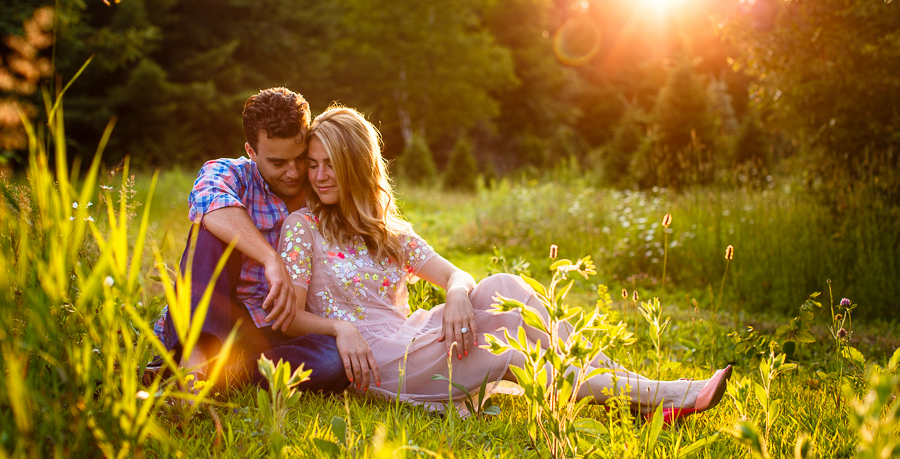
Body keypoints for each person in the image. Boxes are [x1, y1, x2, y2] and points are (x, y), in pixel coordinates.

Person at [276, 105, 731, 418]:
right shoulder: (302, 228)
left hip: (412, 334)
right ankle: (668, 395)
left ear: (357, 166)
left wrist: (456, 295)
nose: (317, 176)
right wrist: (340, 328)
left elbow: (456, 274)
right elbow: (291, 318)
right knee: (513, 352)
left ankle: (622, 383)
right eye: (313, 164)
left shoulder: (386, 229)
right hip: (381, 363)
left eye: (330, 165)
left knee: (504, 286)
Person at [151, 88, 348, 392]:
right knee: (209, 227)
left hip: (277, 329)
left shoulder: (321, 182)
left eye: (300, 158)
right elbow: (209, 202)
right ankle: (193, 361)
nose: (294, 172)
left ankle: (222, 373)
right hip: (217, 315)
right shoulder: (229, 173)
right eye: (278, 163)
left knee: (334, 359)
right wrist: (271, 259)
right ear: (252, 151)